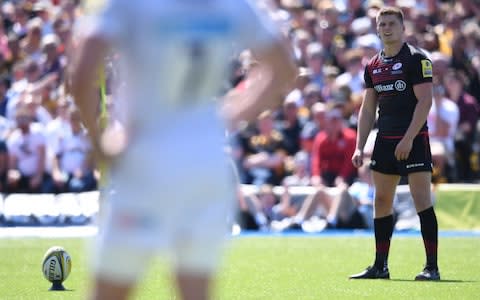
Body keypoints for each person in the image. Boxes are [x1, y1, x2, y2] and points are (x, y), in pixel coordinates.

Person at [70, 1, 295, 300]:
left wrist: (99, 141)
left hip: (146, 157)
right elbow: (284, 69)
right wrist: (225, 116)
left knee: (109, 292)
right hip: (206, 160)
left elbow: (82, 72)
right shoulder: (234, 5)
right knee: (195, 292)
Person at [350, 6, 440, 280]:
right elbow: (367, 110)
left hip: (414, 140)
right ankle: (380, 266)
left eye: (391, 23)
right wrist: (358, 145)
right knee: (382, 201)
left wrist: (409, 138)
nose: (386, 28)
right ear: (377, 29)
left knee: (421, 200)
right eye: (382, 24)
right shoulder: (373, 66)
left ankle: (431, 268)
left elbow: (425, 101)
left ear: (403, 28)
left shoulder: (416, 59)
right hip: (385, 141)